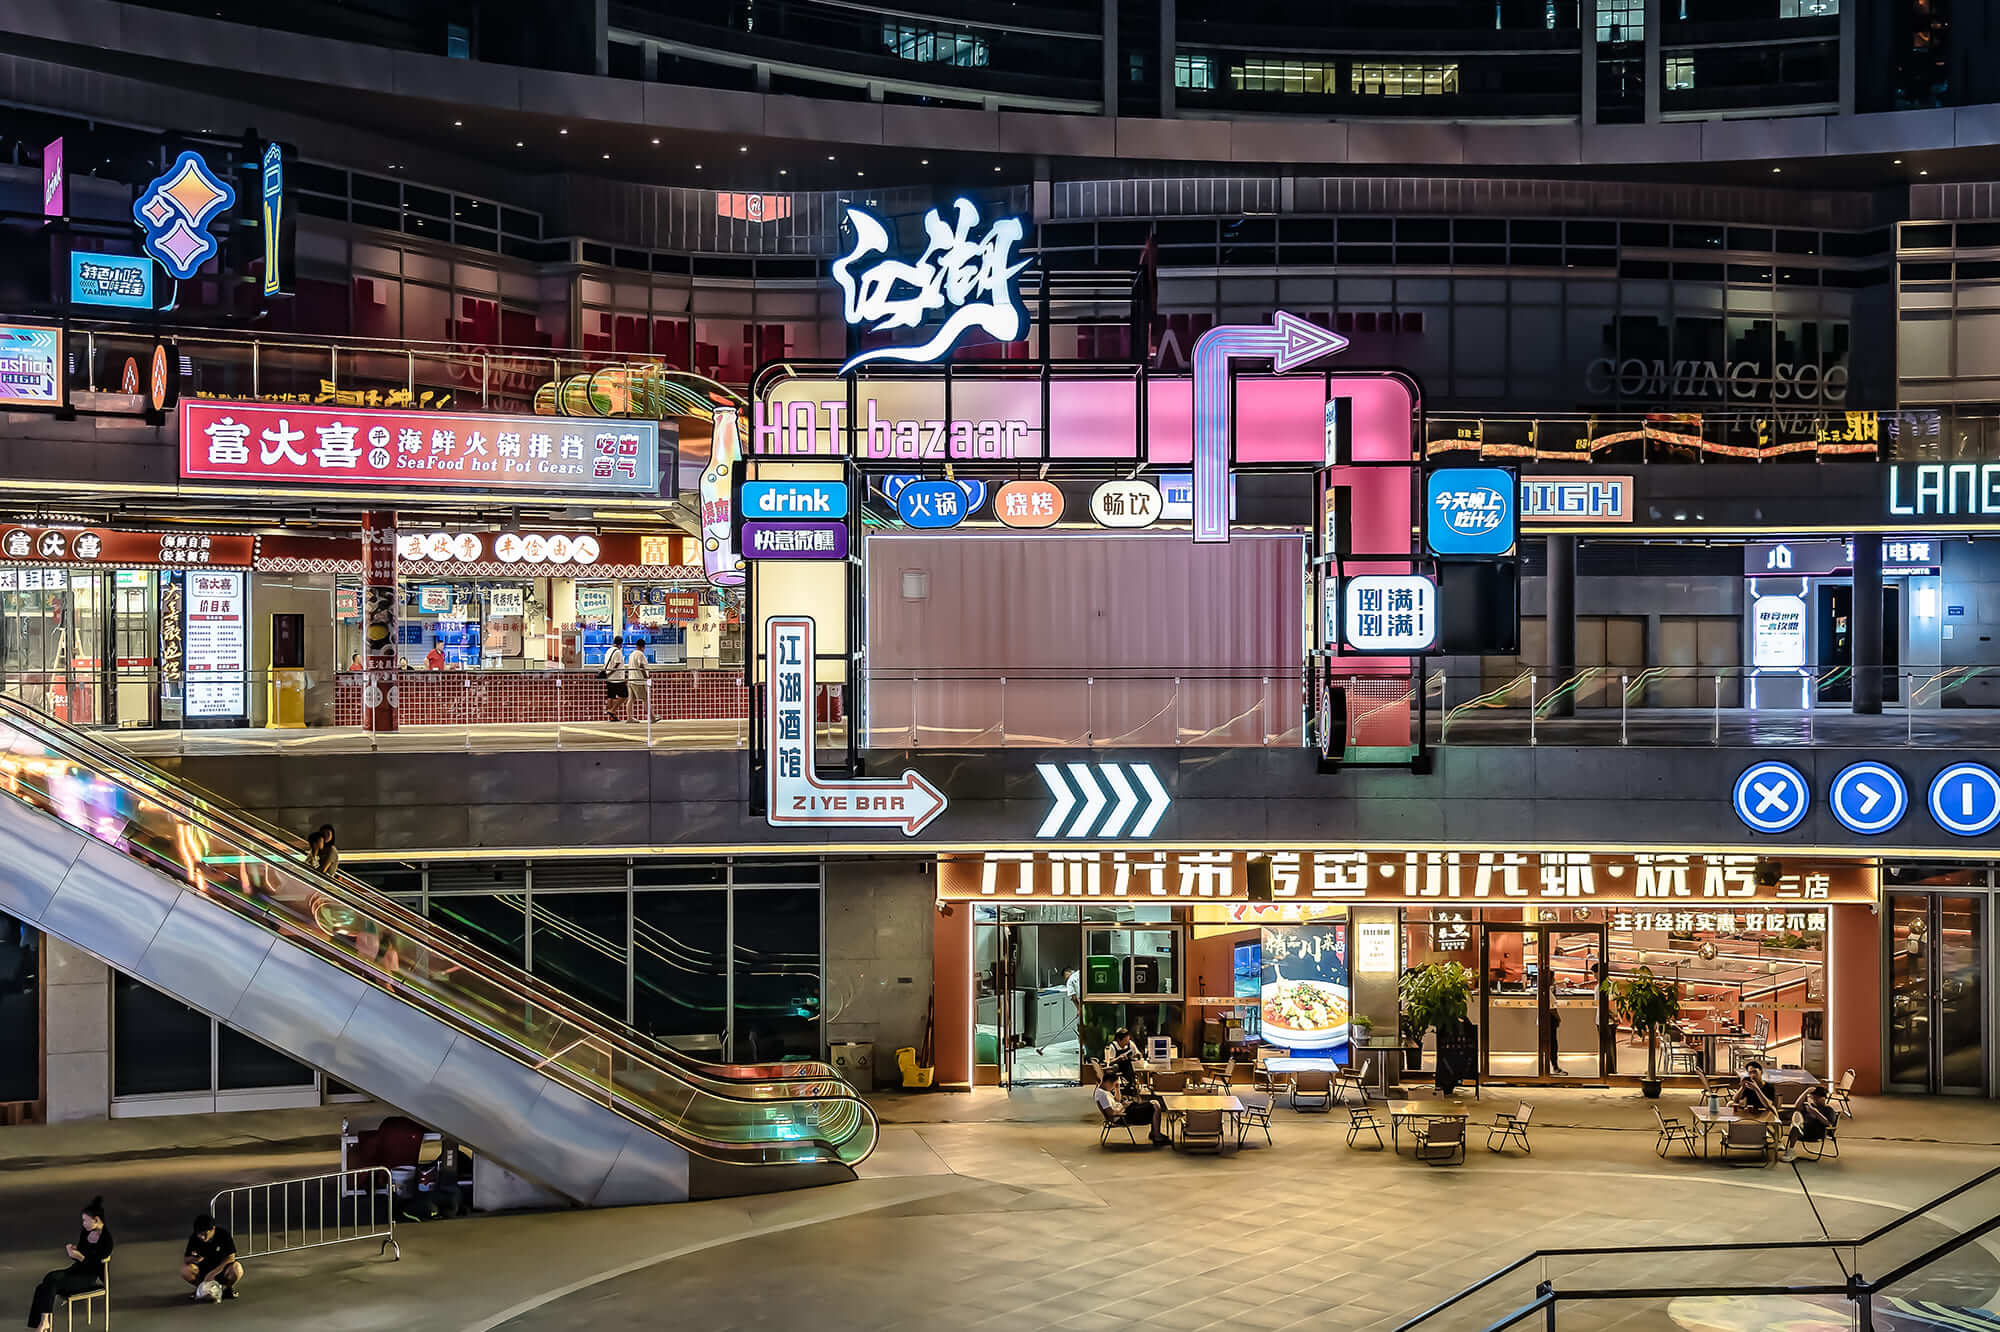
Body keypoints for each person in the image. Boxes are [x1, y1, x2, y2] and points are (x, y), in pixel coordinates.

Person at [25, 1196, 112, 1331]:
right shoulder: (86, 1232)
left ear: (96, 1220)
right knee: (48, 1280)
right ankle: (44, 1321)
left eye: (85, 1220)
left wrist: (80, 1257)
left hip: (87, 1278)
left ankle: (43, 1323)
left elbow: (94, 1266)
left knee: (49, 1284)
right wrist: (74, 1251)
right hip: (75, 1270)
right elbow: (82, 1252)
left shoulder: (106, 1241)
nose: (83, 1223)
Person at [1094, 1072, 1169, 1146]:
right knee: (1155, 1106)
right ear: (1108, 1082)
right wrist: (1123, 1106)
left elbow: (1117, 1100)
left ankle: (1154, 1133)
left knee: (1155, 1103)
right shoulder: (1103, 1095)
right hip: (1123, 1116)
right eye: (1114, 1084)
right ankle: (1157, 1136)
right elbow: (1111, 1113)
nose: (1113, 1087)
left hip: (1125, 1110)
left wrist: (1117, 1089)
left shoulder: (1103, 1090)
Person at [180, 1213, 240, 1302]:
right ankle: (201, 1289)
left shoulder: (223, 1234)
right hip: (203, 1272)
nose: (202, 1237)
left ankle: (228, 1289)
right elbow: (186, 1259)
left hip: (221, 1270)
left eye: (204, 1234)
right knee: (185, 1270)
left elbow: (231, 1257)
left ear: (213, 1229)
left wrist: (212, 1274)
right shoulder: (194, 1238)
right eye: (199, 1234)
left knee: (237, 1268)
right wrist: (195, 1259)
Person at [1780, 1085, 1838, 1163]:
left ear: (1824, 1098)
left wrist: (1815, 1112)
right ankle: (1791, 1150)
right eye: (1814, 1098)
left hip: (1816, 1133)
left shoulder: (1828, 1109)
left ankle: (1790, 1149)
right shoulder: (1810, 1106)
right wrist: (1806, 1092)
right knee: (1796, 1115)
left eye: (1817, 1098)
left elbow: (1828, 1123)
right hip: (1803, 1130)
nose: (1815, 1100)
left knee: (1795, 1127)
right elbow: (1796, 1106)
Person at [600, 637, 629, 721]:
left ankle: (612, 716)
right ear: (621, 644)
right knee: (625, 695)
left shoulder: (608, 650)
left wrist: (608, 674)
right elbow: (616, 665)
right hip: (617, 678)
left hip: (609, 678)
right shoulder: (618, 652)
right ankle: (612, 710)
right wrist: (610, 673)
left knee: (611, 696)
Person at [621, 635, 650, 721]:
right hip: (639, 680)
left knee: (630, 699)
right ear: (643, 647)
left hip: (631, 679)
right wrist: (646, 677)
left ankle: (629, 717)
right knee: (645, 699)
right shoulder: (640, 654)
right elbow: (641, 666)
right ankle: (651, 717)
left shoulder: (631, 654)